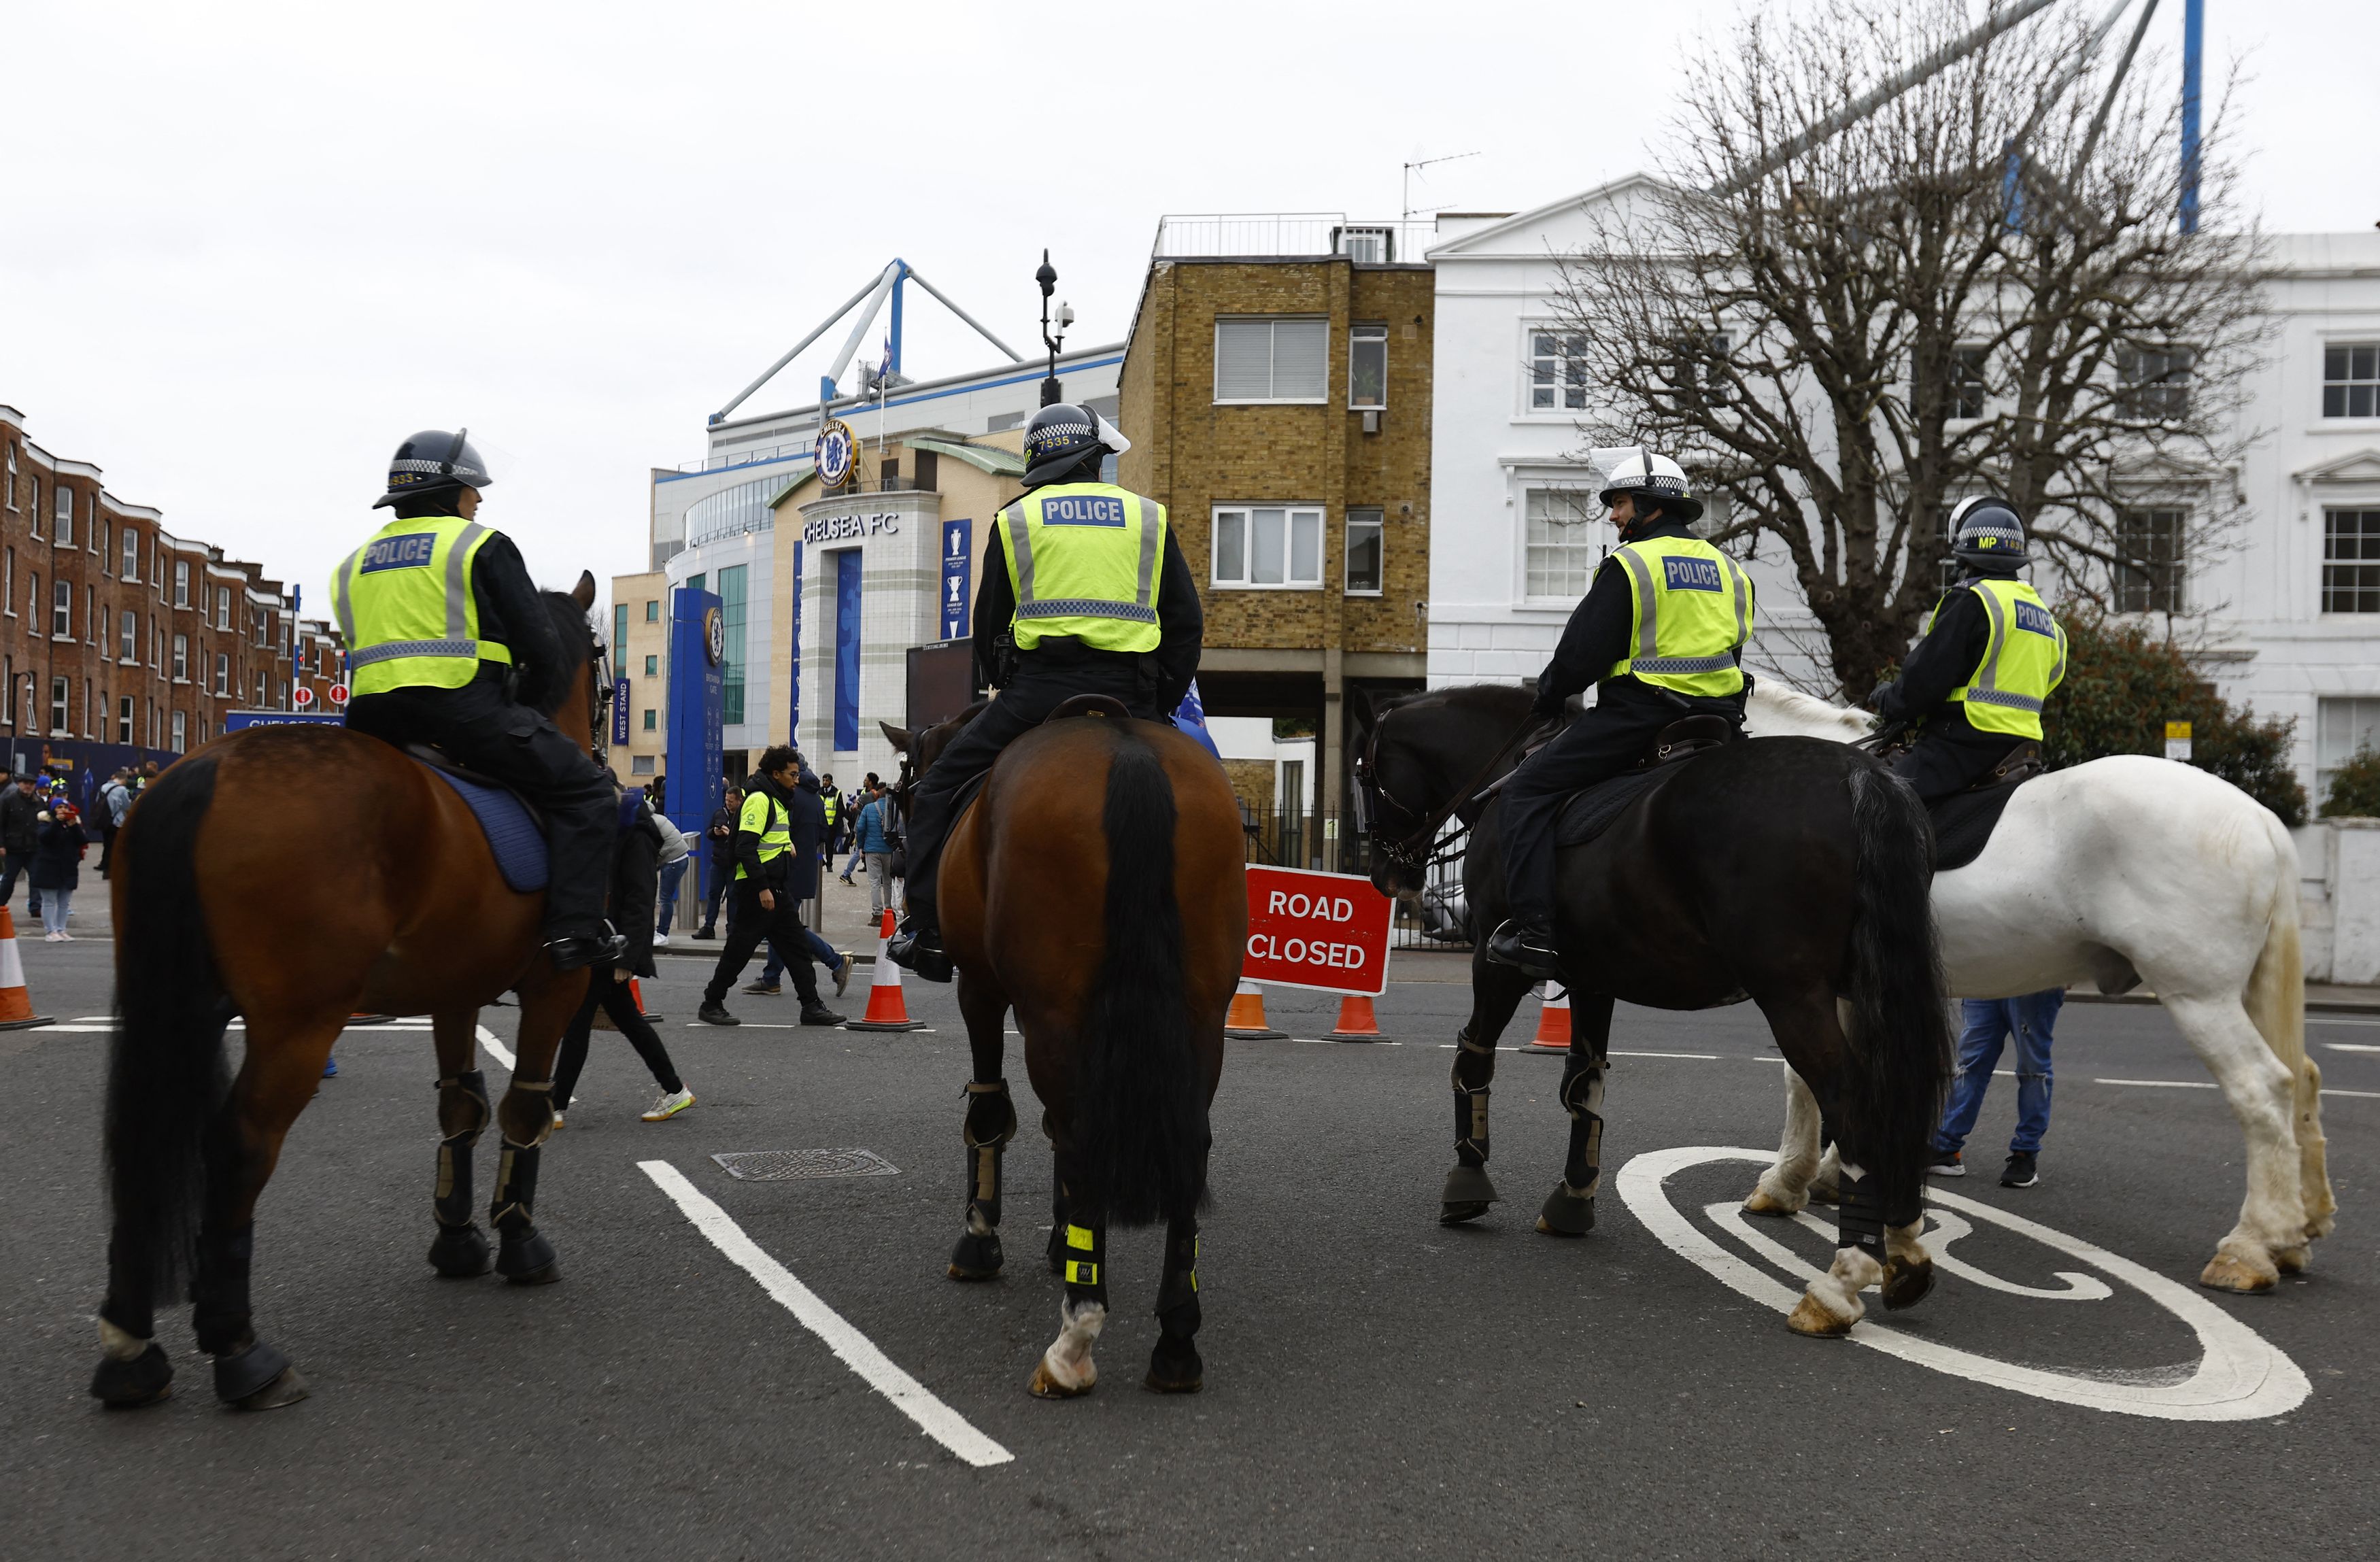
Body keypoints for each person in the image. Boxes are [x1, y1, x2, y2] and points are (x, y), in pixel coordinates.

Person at [888, 403, 1203, 981]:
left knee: (934, 790)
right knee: (1210, 802)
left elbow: (987, 630)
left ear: (1041, 464)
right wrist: (1159, 700)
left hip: (1037, 694)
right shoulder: (1150, 518)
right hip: (1132, 695)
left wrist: (1010, 685)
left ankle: (926, 931)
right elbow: (1186, 626)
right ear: (1092, 458)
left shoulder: (1015, 520)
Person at [333, 428, 623, 970]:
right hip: (463, 711)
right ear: (447, 492)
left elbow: (359, 645)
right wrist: (527, 708)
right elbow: (540, 647)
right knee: (587, 792)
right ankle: (574, 932)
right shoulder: (480, 545)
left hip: (370, 722)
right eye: (472, 489)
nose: (479, 499)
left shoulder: (352, 565)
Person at [1485, 449, 1755, 979]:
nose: (1613, 515)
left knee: (1524, 791)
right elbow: (1735, 648)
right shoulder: (1730, 570)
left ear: (1651, 506)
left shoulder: (1631, 564)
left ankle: (1535, 934)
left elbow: (1582, 652)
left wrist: (1549, 693)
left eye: (1621, 503)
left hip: (1640, 715)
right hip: (1719, 720)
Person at [1868, 496, 2069, 802]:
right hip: (2023, 748)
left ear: (1965, 558)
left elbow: (1926, 680)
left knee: (1875, 799)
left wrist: (1888, 700)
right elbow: (2051, 677)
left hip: (1963, 743)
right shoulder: (2043, 614)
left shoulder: (1974, 599)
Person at [554, 785, 694, 1127]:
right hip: (604, 939)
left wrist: (625, 959)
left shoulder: (636, 836)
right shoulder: (615, 829)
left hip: (614, 945)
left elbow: (639, 899)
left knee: (578, 1021)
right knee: (629, 1021)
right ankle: (675, 1089)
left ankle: (554, 1105)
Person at [698, 745, 843, 1026]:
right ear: (776, 774)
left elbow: (769, 837)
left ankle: (811, 1006)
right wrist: (763, 887)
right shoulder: (759, 800)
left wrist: (786, 846)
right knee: (739, 950)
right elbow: (745, 847)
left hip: (775, 889)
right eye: (792, 774)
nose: (796, 780)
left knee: (797, 948)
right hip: (757, 890)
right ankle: (711, 1002)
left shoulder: (778, 800)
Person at [1928, 990, 2064, 1187]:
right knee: (1971, 1066)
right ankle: (1946, 1148)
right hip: (1987, 980)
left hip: (2033, 979)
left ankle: (2025, 1153)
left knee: (2032, 1069)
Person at [31, 800, 88, 940]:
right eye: (59, 807)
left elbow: (82, 840)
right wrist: (56, 822)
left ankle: (61, 929)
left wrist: (75, 826)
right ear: (53, 810)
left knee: (64, 903)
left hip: (68, 867)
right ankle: (50, 931)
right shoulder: (44, 824)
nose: (62, 810)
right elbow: (45, 838)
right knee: (49, 901)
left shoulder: (71, 825)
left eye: (65, 807)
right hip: (49, 867)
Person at [692, 783, 740, 940]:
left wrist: (730, 833)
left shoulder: (744, 815)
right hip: (718, 861)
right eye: (727, 800)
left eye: (731, 801)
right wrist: (715, 831)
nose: (728, 803)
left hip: (734, 863)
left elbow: (745, 837)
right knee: (714, 894)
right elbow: (708, 832)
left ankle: (732, 928)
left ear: (739, 801)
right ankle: (708, 927)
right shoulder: (720, 812)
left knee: (733, 896)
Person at [850, 781, 899, 917]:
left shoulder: (868, 808)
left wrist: (861, 846)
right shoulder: (895, 809)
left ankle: (877, 914)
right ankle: (889, 911)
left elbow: (860, 828)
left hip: (872, 850)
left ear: (878, 796)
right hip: (889, 850)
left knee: (875, 882)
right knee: (888, 882)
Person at [651, 806, 691, 947]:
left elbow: (657, 848)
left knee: (664, 898)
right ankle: (660, 932)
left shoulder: (649, 823)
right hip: (679, 858)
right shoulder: (657, 817)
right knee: (664, 898)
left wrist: (654, 862)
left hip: (674, 861)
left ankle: (662, 934)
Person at [0, 773, 39, 907]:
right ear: (19, 784)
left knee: (36, 878)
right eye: (25, 783)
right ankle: (1, 903)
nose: (28, 786)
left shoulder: (39, 802)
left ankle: (35, 906)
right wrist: (1, 845)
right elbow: (1, 824)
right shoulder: (9, 800)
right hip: (14, 847)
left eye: (31, 784)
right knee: (9, 879)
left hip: (34, 847)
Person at [97, 769, 132, 879]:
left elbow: (98, 801)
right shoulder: (122, 790)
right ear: (123, 779)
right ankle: (110, 869)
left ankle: (105, 865)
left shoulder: (104, 787)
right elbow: (127, 806)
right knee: (114, 846)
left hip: (105, 820)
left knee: (107, 844)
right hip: (117, 821)